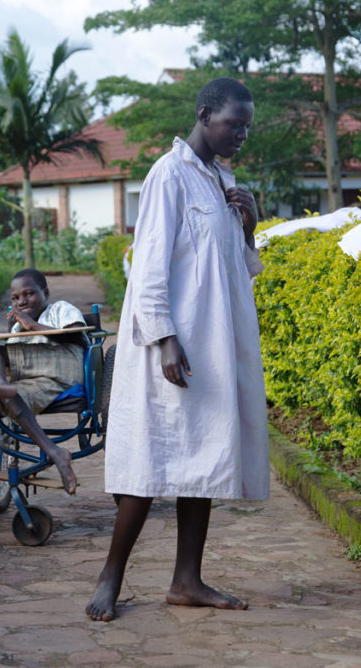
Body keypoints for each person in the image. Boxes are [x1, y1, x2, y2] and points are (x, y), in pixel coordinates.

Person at [85, 78, 269, 622]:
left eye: (246, 127)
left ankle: (186, 580)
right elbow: (147, 267)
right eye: (232, 123)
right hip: (171, 347)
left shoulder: (218, 180)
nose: (240, 134)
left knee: (204, 459)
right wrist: (165, 338)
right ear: (204, 114)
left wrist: (250, 225)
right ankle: (109, 577)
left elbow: (232, 270)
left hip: (211, 349)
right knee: (153, 458)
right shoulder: (169, 174)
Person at [0, 268, 86, 494]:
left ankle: (1, 384)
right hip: (40, 384)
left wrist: (33, 326)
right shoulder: (17, 326)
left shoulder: (60, 309)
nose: (22, 301)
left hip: (65, 368)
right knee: (8, 395)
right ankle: (55, 452)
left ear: (46, 292)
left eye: (29, 294)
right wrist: (19, 328)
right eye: (15, 298)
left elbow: (77, 335)